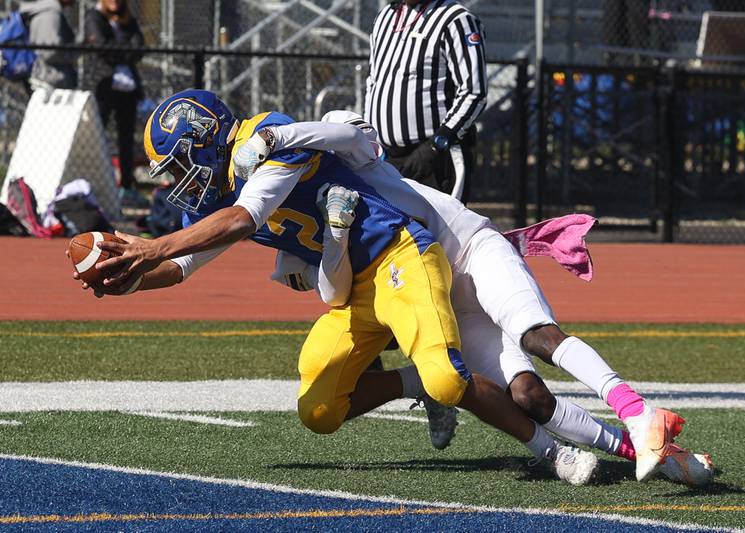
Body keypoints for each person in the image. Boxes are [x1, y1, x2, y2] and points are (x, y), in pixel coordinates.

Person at [72, 88, 602, 485]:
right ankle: (416, 381)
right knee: (319, 410)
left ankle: (552, 452)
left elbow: (243, 218)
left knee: (449, 380)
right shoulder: (215, 197)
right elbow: (185, 264)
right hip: (348, 285)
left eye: (179, 164)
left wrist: (149, 246)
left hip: (399, 254)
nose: (176, 180)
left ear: (204, 139)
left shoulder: (265, 140)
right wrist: (132, 282)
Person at [230, 113, 698, 484]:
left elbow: (337, 132)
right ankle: (644, 446)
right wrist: (332, 241)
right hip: (443, 297)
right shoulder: (306, 228)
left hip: (471, 251)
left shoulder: (357, 164)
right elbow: (333, 292)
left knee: (536, 335)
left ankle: (637, 411)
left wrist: (276, 137)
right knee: (528, 396)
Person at [364, 0, 487, 202]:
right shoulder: (385, 16)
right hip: (386, 159)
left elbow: (474, 91)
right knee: (392, 232)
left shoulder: (456, 19)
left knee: (441, 232)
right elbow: (374, 81)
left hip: (434, 158)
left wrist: (436, 145)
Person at [84, 0, 146, 208]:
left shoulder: (129, 21)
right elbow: (101, 46)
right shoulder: (94, 18)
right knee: (97, 135)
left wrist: (119, 52)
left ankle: (126, 186)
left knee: (126, 140)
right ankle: (94, 185)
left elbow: (140, 48)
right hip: (104, 87)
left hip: (127, 89)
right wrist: (125, 51)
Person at [19, 0, 77, 91]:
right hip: (50, 83)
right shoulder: (50, 14)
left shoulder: (46, 11)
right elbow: (49, 52)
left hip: (46, 80)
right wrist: (73, 54)